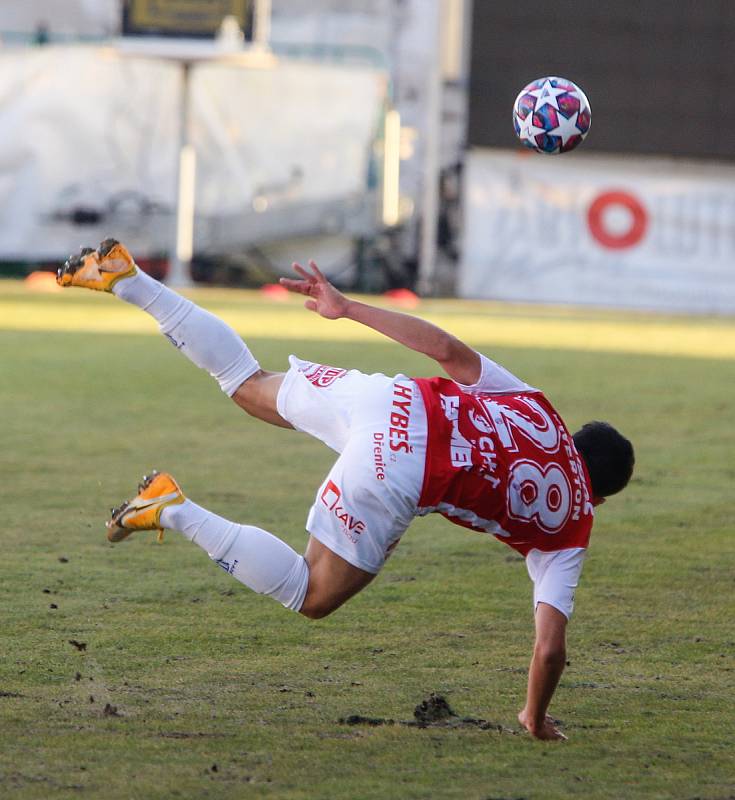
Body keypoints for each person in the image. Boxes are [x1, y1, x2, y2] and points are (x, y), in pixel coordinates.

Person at [57, 239, 634, 741]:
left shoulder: (537, 407)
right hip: (402, 467)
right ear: (602, 496)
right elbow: (551, 650)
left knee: (245, 383)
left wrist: (348, 307)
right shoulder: (574, 527)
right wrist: (535, 716)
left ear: (576, 435)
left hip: (394, 399)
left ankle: (132, 282)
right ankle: (173, 509)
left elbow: (448, 351)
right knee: (312, 595)